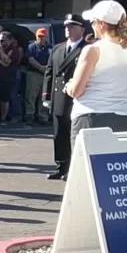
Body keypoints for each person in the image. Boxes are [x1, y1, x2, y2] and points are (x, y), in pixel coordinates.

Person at [64, 0, 127, 146]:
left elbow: (76, 90)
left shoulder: (93, 50)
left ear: (102, 24)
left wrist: (69, 86)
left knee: (86, 166)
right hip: (123, 117)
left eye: (93, 22)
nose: (91, 26)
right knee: (116, 166)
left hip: (91, 116)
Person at [42, 14, 88, 179]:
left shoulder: (86, 49)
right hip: (58, 97)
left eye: (72, 26)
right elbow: (50, 72)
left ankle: (73, 168)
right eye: (66, 26)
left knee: (73, 134)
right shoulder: (58, 48)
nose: (68, 29)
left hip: (76, 97)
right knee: (59, 134)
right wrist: (46, 96)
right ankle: (61, 166)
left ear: (81, 29)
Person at [24, 28, 52, 125]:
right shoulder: (31, 47)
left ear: (46, 37)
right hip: (33, 74)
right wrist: (41, 68)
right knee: (31, 95)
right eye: (39, 36)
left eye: (42, 36)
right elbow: (30, 59)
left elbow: (52, 59)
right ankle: (29, 116)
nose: (40, 38)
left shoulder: (50, 48)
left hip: (46, 74)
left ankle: (43, 117)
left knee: (44, 96)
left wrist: (47, 69)